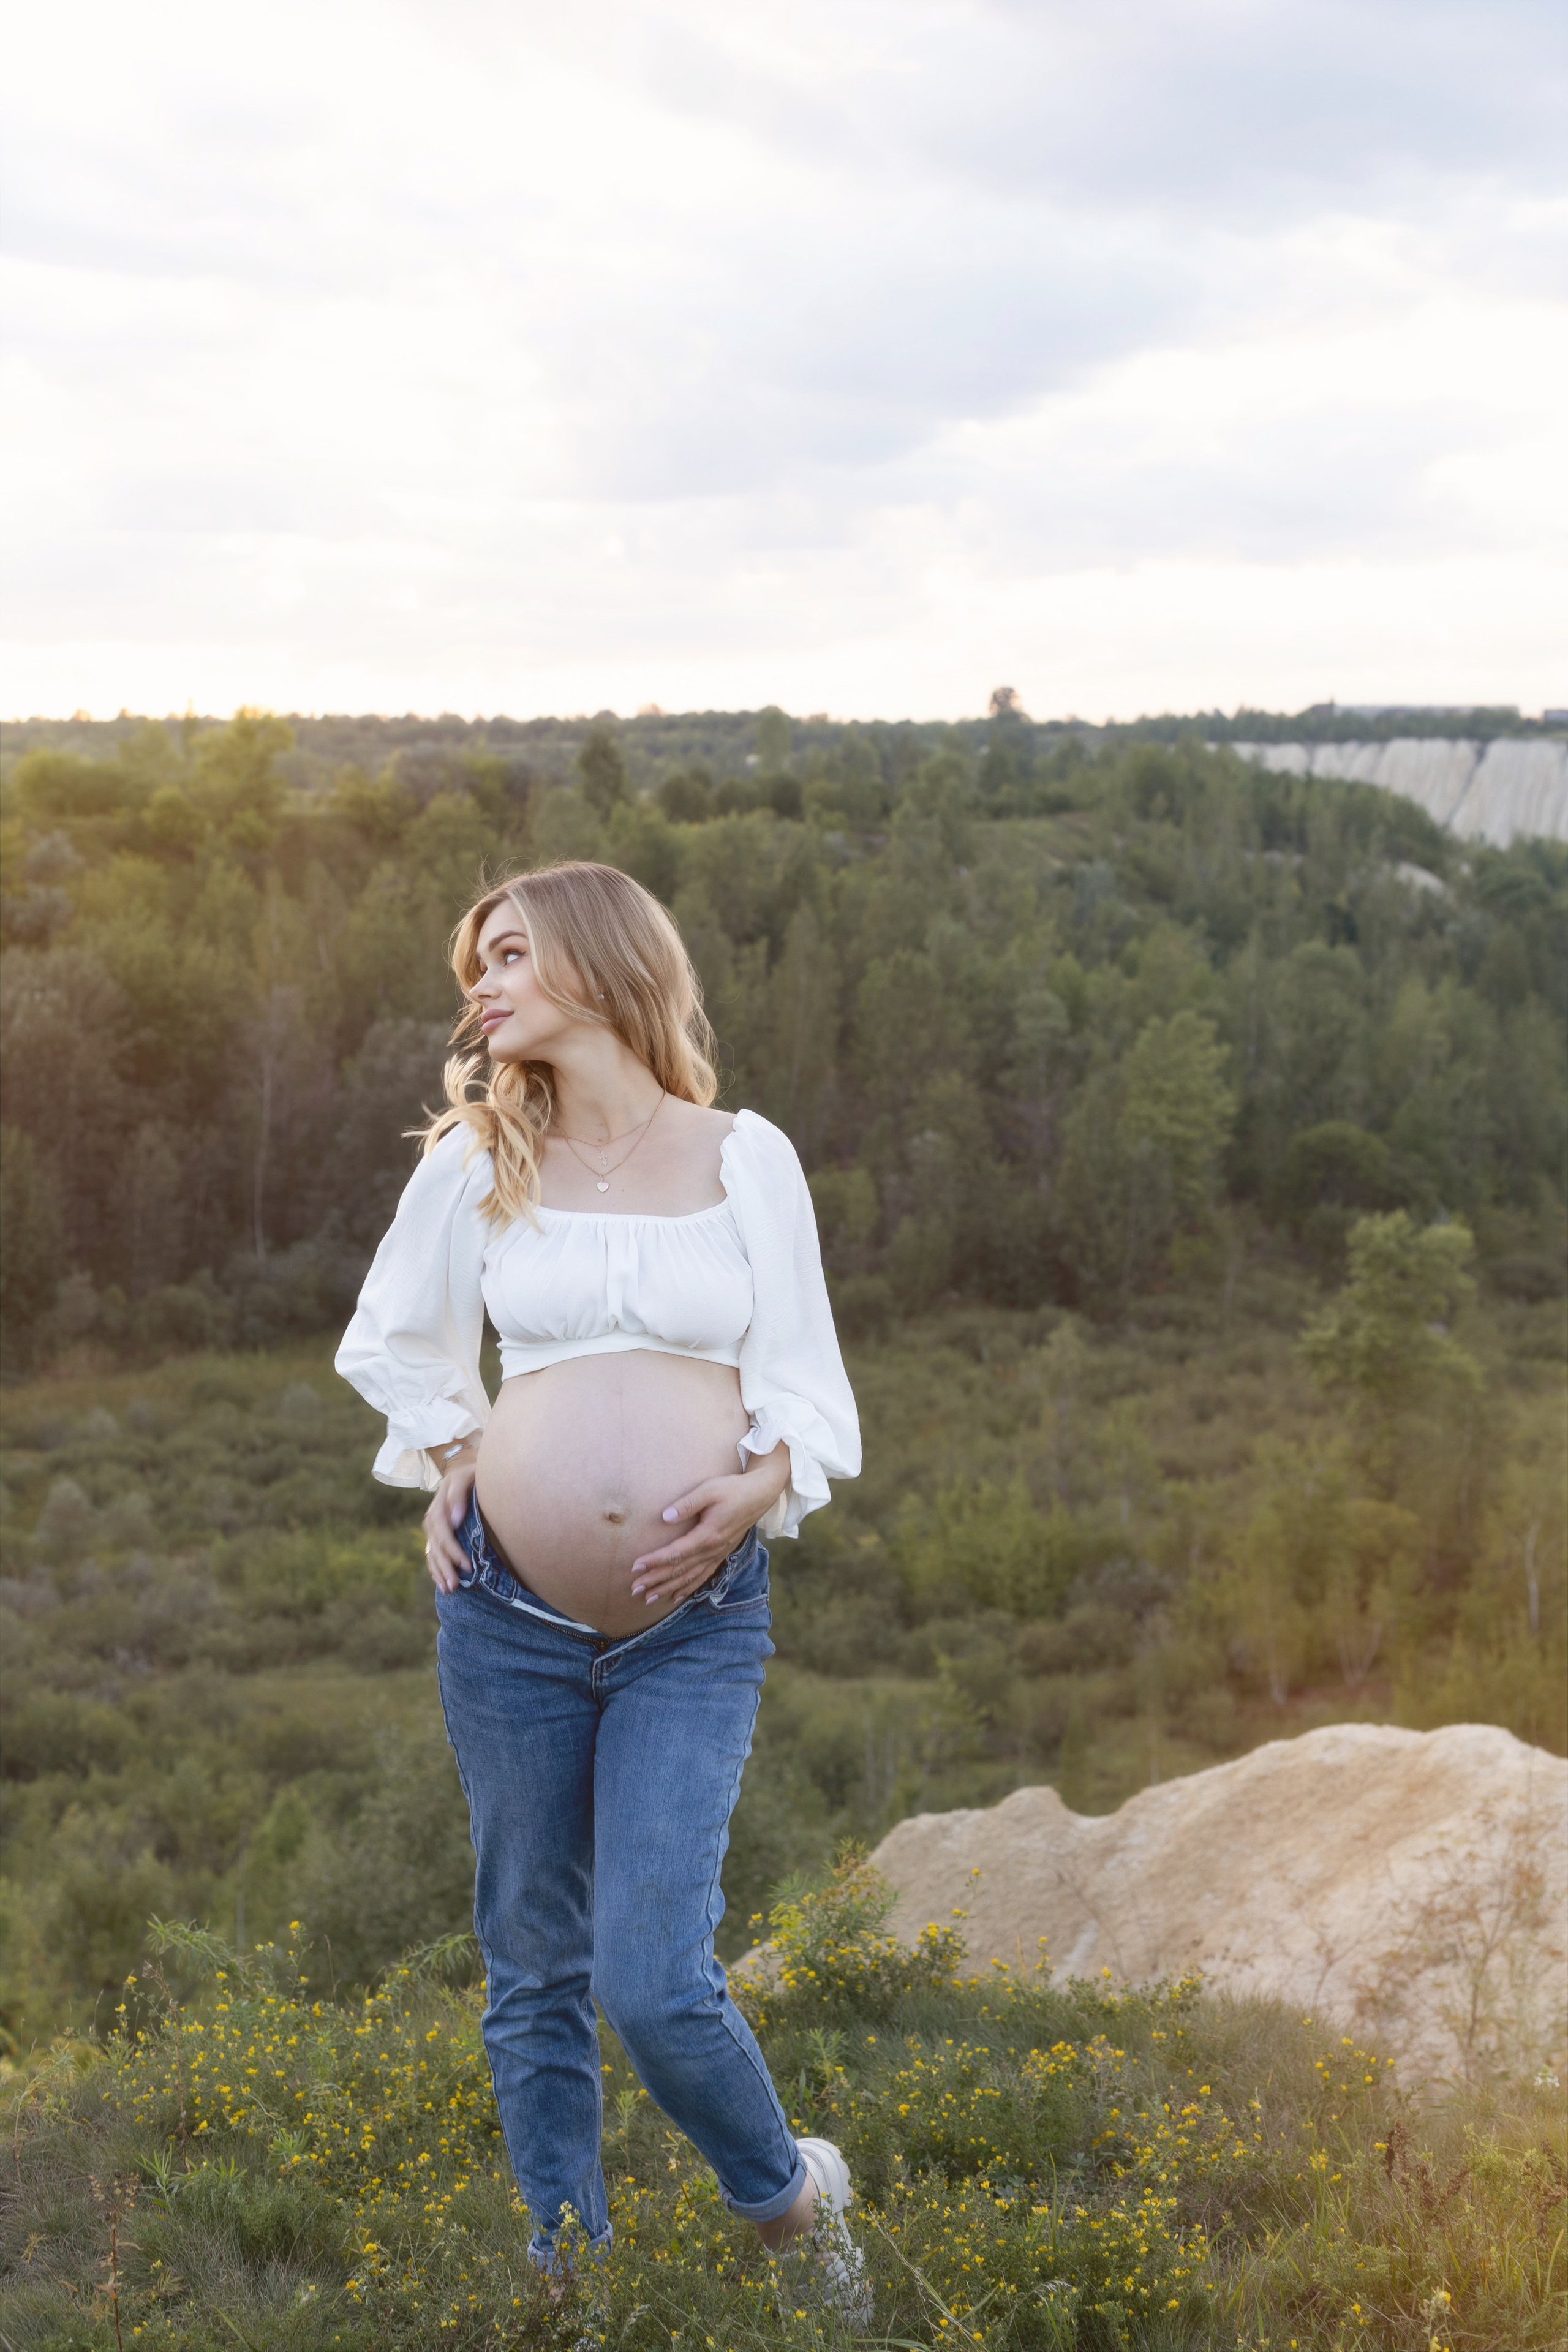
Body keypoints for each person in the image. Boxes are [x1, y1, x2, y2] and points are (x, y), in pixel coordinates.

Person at [335, 859, 868, 2315]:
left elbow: (804, 1372)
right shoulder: (475, 1158)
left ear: (596, 959)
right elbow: (390, 1335)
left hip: (691, 1627)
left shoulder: (742, 1155)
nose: (481, 985)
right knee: (532, 1963)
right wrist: (460, 1449)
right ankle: (569, 2274)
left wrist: (761, 1484)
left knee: (650, 1976)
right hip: (503, 1614)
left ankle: (790, 2202)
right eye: (475, 965)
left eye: (507, 954)